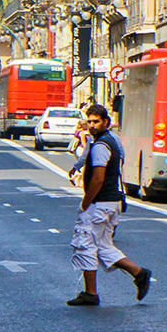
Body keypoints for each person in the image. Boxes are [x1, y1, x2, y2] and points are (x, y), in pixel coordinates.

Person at [67, 103, 150, 308]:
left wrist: (86, 202)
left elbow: (98, 178)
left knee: (85, 244)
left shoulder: (101, 146)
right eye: (90, 122)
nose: (92, 125)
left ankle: (90, 293)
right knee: (103, 246)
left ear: (106, 122)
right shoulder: (109, 141)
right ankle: (139, 273)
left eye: (96, 122)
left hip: (100, 203)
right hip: (111, 202)